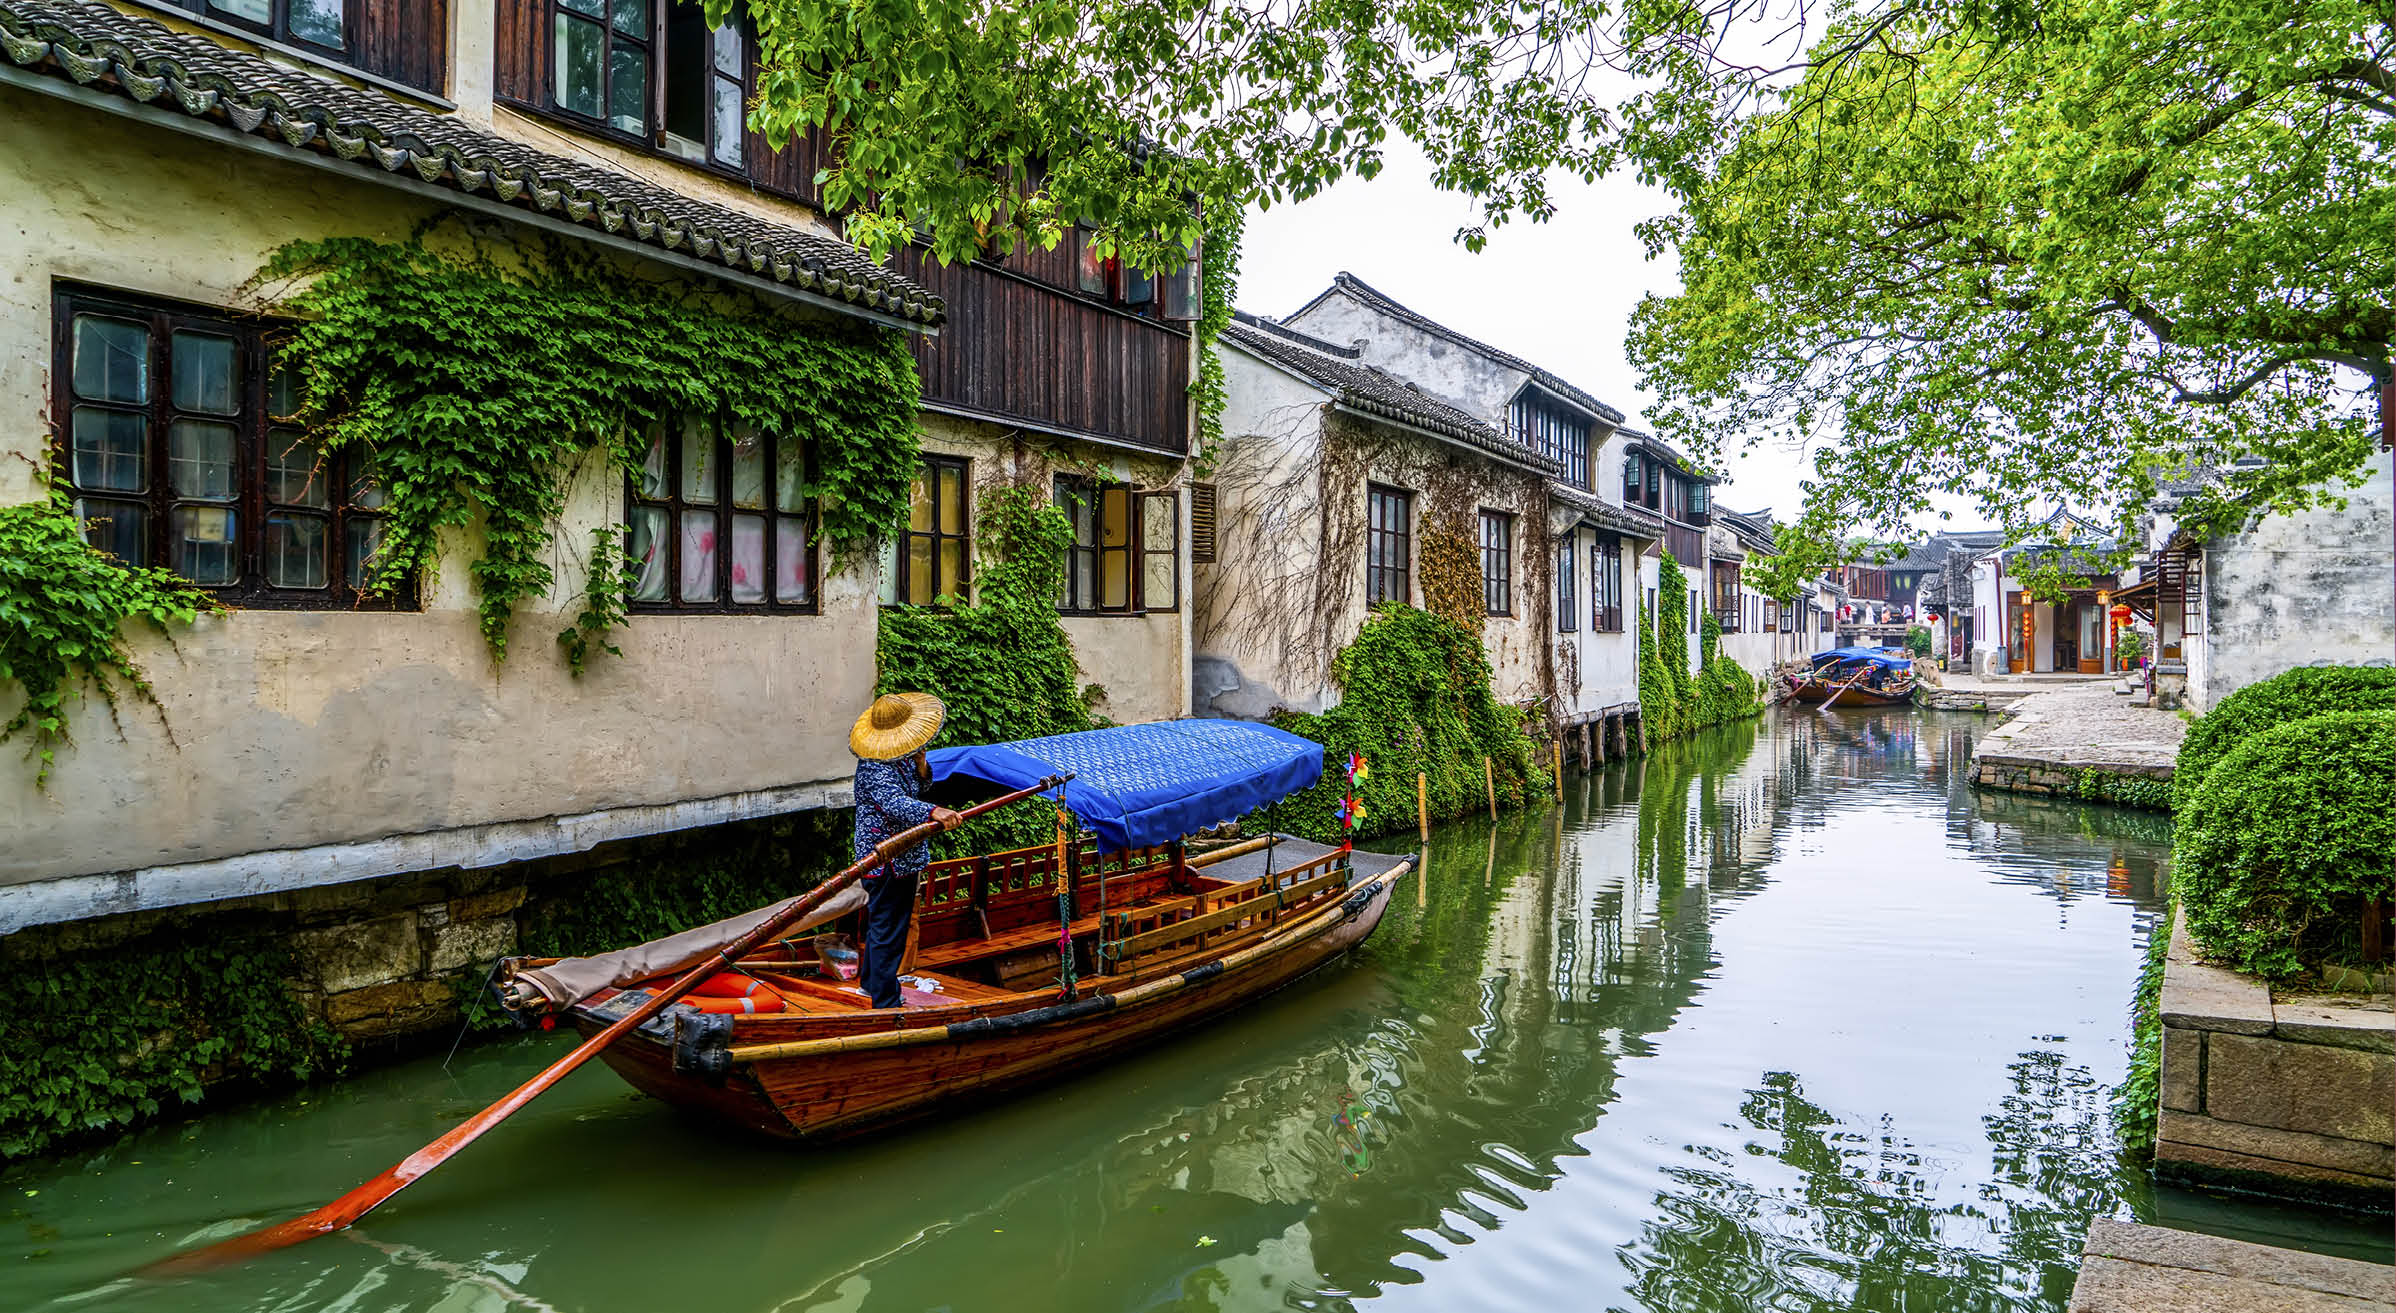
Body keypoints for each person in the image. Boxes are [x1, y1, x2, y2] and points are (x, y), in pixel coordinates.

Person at [849, 692, 963, 1009]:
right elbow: (895, 803)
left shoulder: (902, 758)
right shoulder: (874, 766)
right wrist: (934, 812)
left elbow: (919, 789)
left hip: (905, 857)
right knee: (886, 927)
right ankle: (885, 1000)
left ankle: (872, 985)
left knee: (889, 925)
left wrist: (922, 767)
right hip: (885, 859)